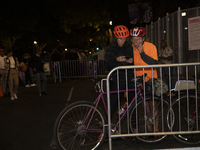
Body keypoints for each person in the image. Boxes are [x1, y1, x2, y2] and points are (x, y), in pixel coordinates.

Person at [130, 27, 158, 132]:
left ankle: (156, 130)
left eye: (138, 39)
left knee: (153, 106)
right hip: (139, 81)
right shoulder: (131, 48)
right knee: (145, 107)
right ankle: (148, 129)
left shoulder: (151, 47)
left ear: (143, 38)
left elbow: (155, 63)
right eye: (133, 39)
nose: (135, 42)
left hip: (151, 79)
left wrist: (142, 53)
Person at [105, 25, 134, 123]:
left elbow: (135, 62)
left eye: (124, 39)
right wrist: (116, 60)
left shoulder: (130, 47)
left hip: (130, 78)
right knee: (112, 105)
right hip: (117, 79)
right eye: (120, 39)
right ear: (116, 38)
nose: (122, 41)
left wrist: (131, 61)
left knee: (132, 106)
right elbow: (107, 65)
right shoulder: (110, 48)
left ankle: (134, 133)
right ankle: (105, 129)